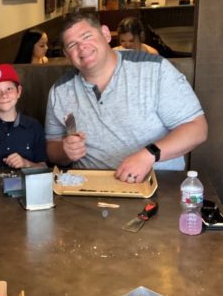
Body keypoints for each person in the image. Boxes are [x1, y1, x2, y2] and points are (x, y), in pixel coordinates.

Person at [45, 12, 207, 183]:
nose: (82, 47)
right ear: (66, 53)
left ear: (105, 34)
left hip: (158, 185)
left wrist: (149, 155)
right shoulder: (60, 91)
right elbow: (51, 147)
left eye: (87, 36)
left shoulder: (154, 69)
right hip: (90, 189)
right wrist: (65, 151)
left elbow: (197, 128)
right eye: (72, 44)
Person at [0, 64, 47, 177]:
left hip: (27, 190)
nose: (4, 95)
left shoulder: (34, 126)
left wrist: (26, 163)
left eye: (9, 89)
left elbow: (43, 168)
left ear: (18, 92)